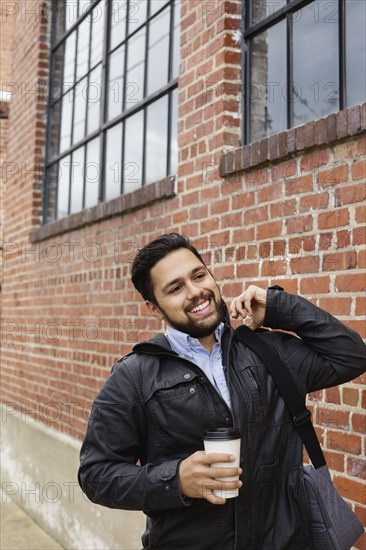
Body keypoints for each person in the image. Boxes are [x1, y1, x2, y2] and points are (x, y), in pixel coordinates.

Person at [78, 233, 365, 550]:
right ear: (154, 307)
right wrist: (176, 480)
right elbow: (96, 475)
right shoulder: (134, 376)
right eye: (175, 288)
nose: (195, 291)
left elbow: (351, 356)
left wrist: (278, 307)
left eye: (198, 275)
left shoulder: (267, 350)